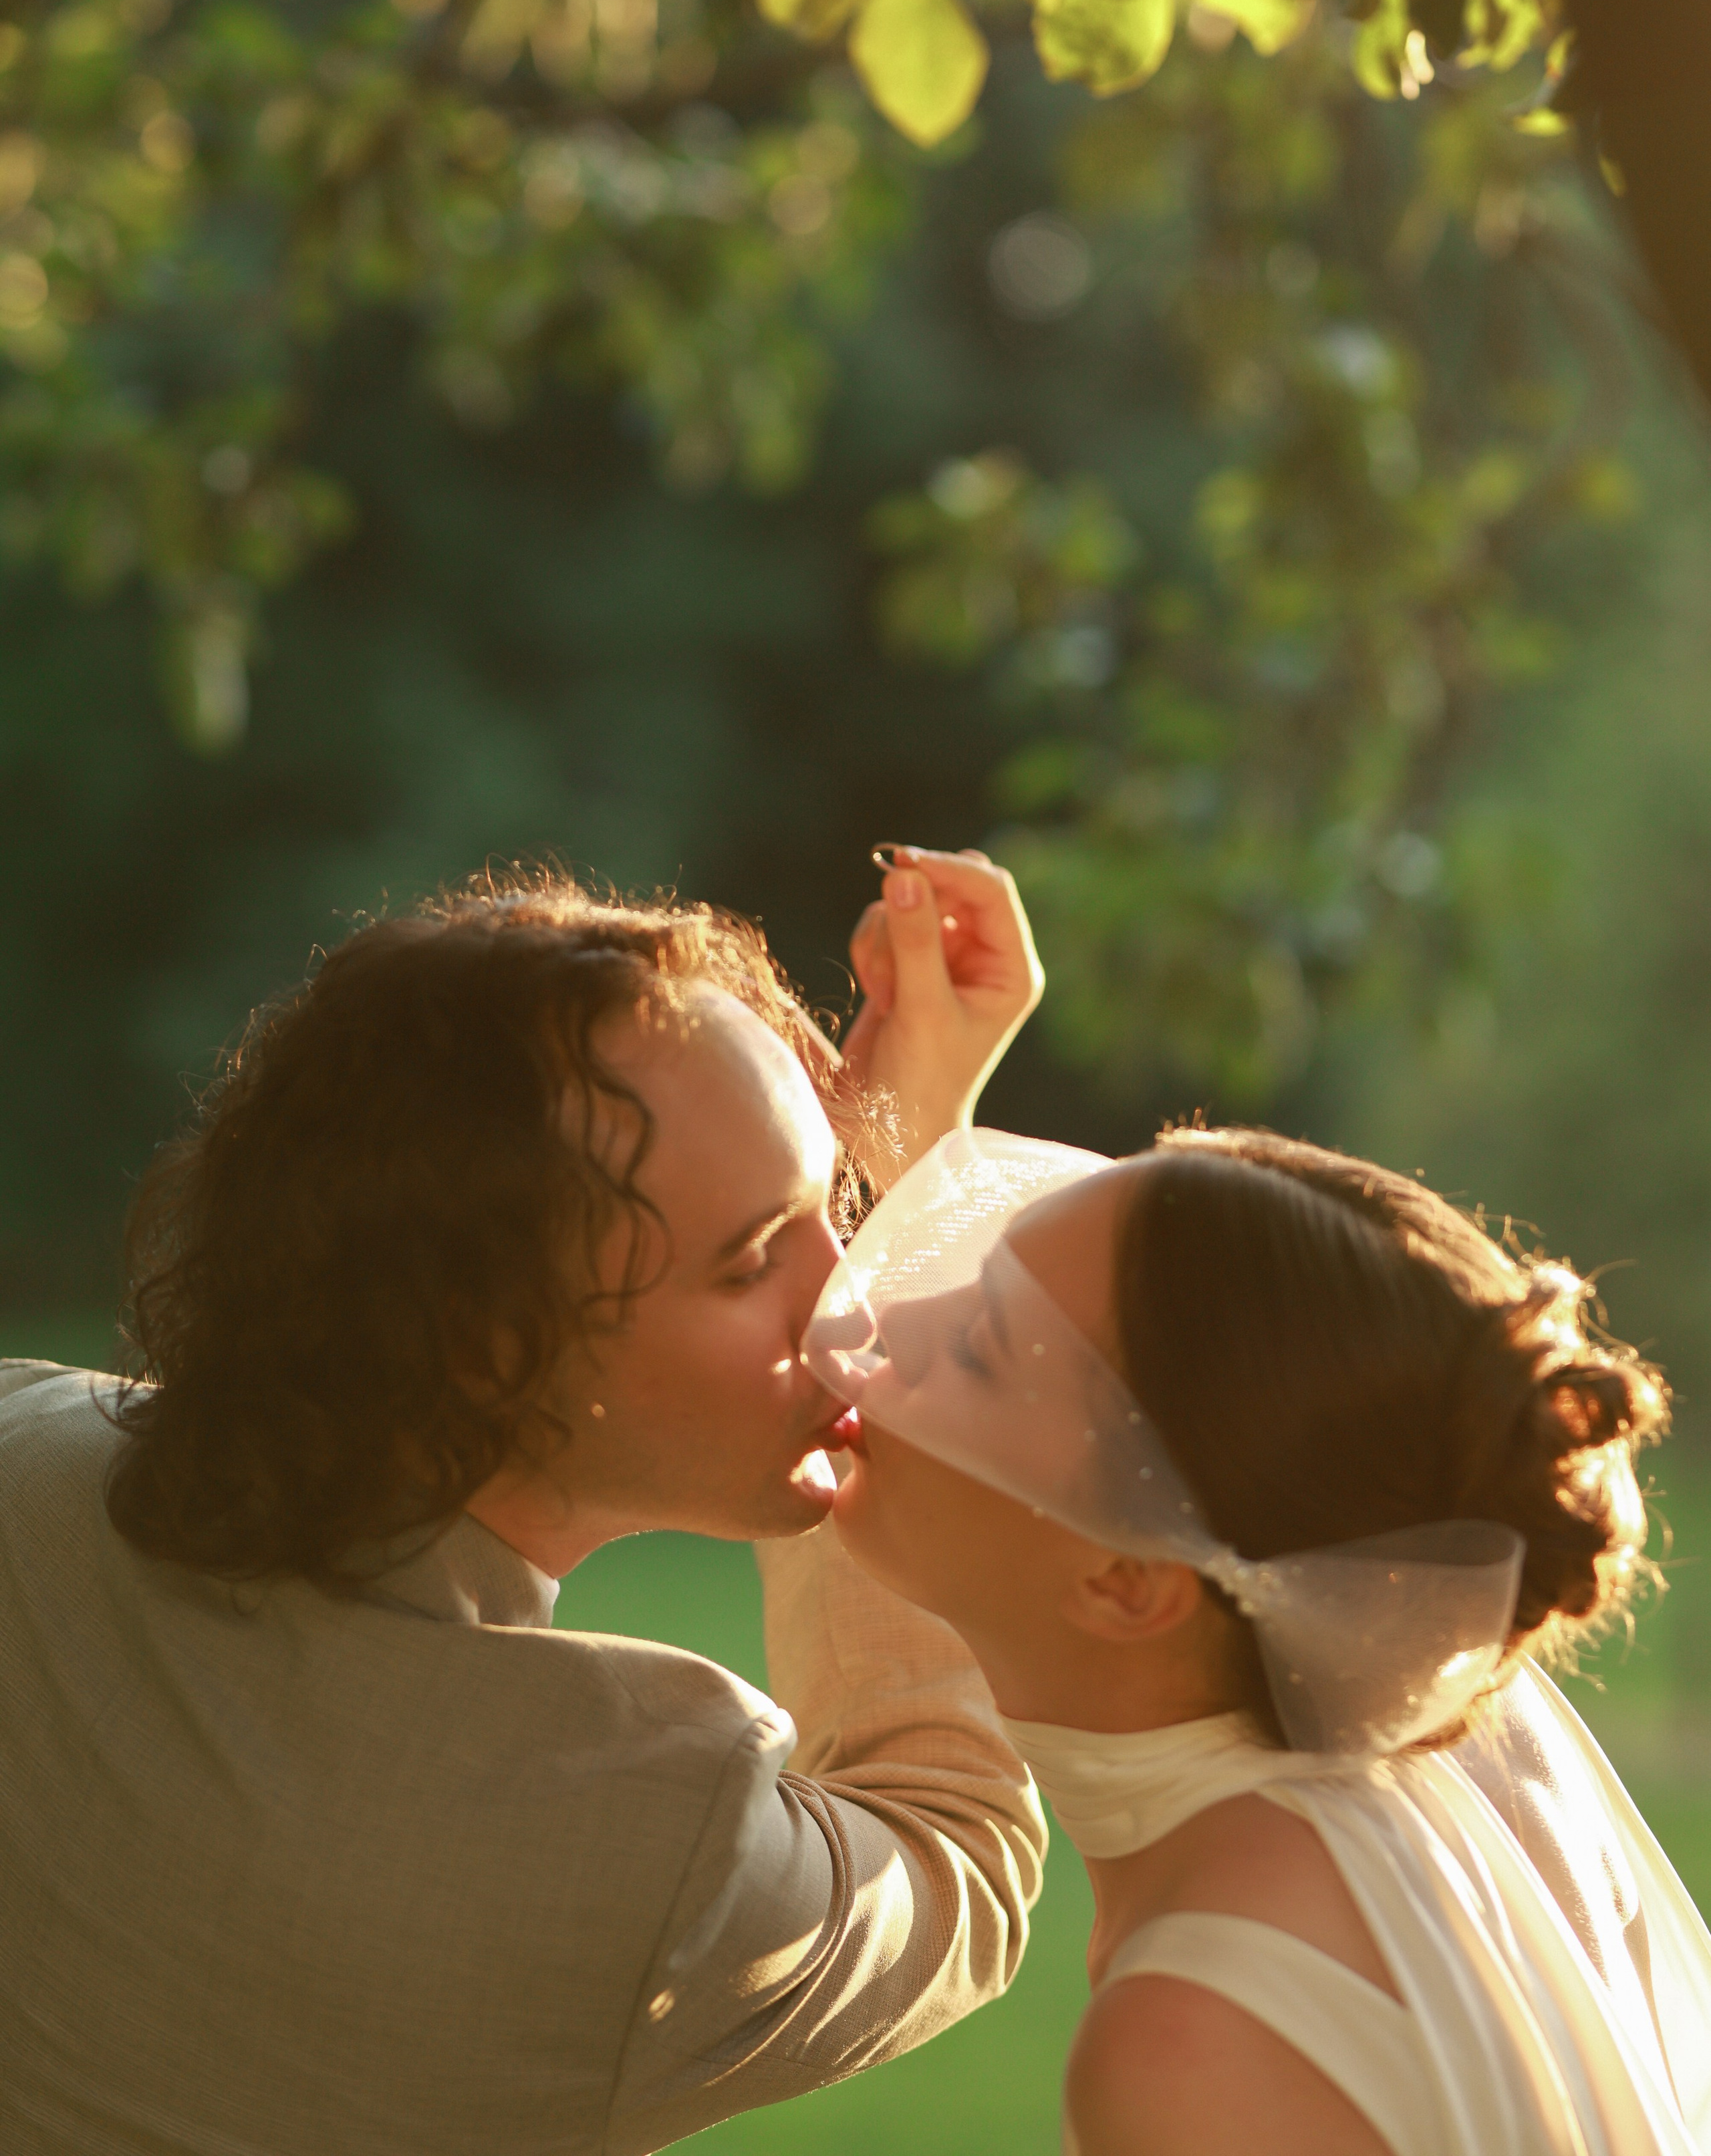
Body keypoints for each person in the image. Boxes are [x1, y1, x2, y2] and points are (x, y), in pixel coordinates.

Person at [0, 847, 1049, 2156]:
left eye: (833, 1205)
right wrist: (921, 1178)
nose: (851, 1292)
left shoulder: (16, 1455)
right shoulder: (652, 1839)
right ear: (488, 1346)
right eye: (747, 1260)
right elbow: (952, 1848)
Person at [811, 1123, 1711, 2155]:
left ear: (1129, 1577)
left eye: (978, 1347)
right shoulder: (1459, 1721)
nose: (896, 1313)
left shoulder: (1200, 2045)